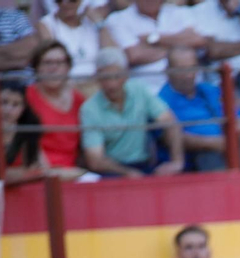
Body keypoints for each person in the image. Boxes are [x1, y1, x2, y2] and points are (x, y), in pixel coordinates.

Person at [80, 47, 186, 176]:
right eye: (106, 78)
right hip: (112, 170)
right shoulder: (90, 109)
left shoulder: (139, 90)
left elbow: (169, 121)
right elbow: (95, 161)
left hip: (144, 164)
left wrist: (176, 162)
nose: (112, 84)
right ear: (97, 77)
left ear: (126, 75)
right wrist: (127, 172)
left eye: (116, 77)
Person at [160, 44, 233, 170]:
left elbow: (238, 117)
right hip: (196, 157)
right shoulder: (162, 101)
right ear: (168, 70)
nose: (189, 75)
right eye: (182, 70)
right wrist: (212, 143)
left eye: (192, 68)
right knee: (208, 156)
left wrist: (234, 138)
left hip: (229, 148)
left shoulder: (210, 90)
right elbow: (167, 137)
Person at [100, 0, 205, 86]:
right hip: (149, 90)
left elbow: (197, 40)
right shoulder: (117, 19)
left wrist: (154, 39)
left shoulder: (181, 12)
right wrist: (179, 50)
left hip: (191, 87)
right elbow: (134, 55)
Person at [26, 41, 87, 173]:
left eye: (59, 63)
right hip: (39, 173)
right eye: (47, 63)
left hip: (75, 172)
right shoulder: (26, 98)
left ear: (68, 68)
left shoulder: (79, 99)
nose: (53, 68)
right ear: (37, 68)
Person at [0, 80, 47, 184]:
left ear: (23, 108)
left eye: (15, 104)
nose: (8, 110)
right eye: (3, 102)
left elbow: (44, 169)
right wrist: (26, 173)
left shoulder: (28, 129)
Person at [38, 0, 102, 79]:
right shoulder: (47, 24)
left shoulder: (92, 24)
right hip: (67, 84)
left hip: (98, 83)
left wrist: (100, 23)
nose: (65, 3)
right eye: (60, 0)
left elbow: (112, 55)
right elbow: (53, 62)